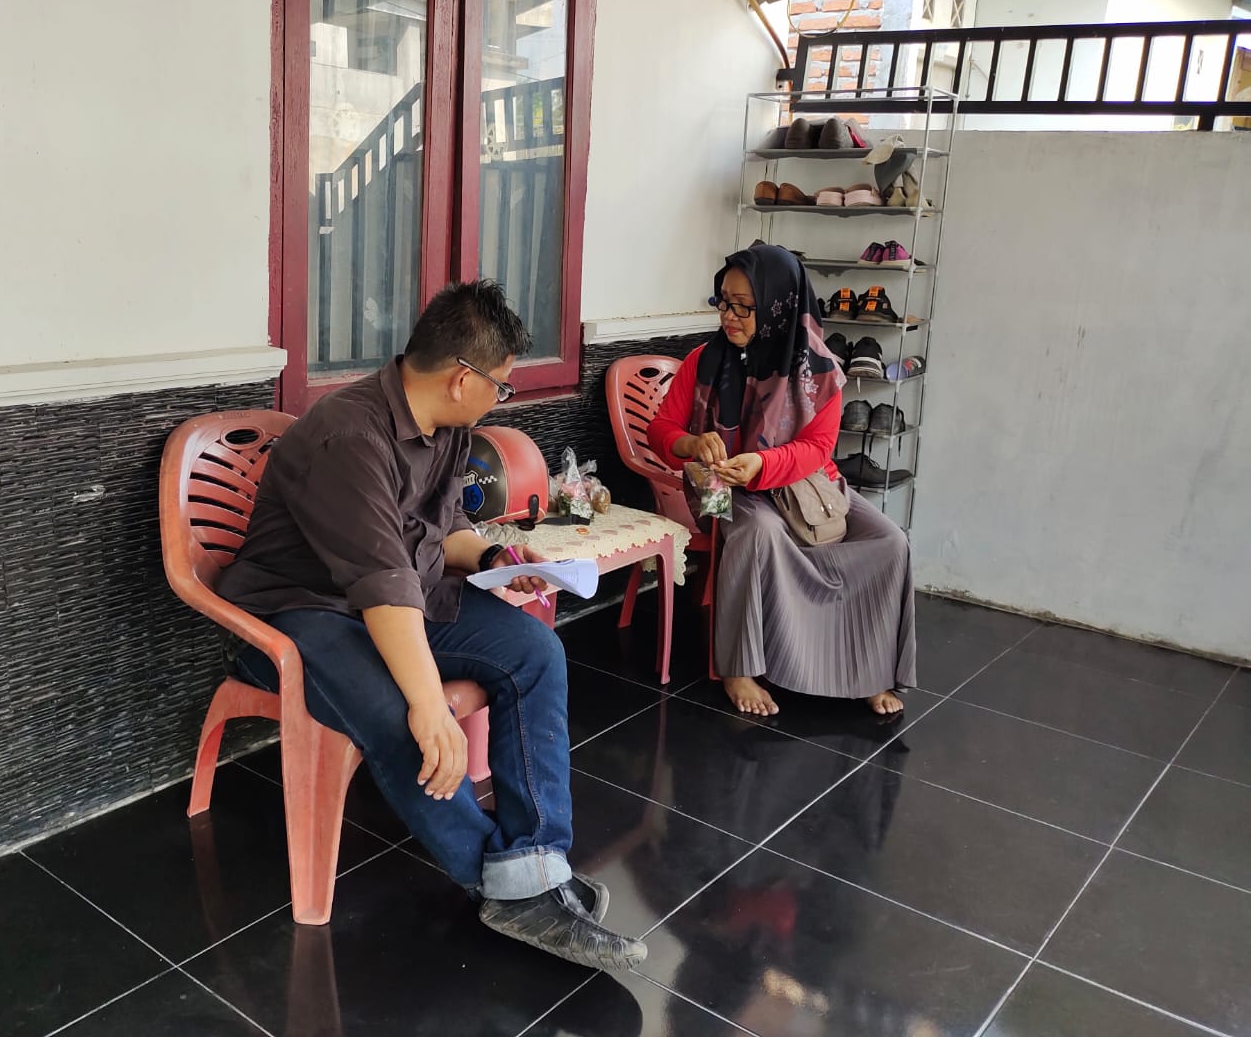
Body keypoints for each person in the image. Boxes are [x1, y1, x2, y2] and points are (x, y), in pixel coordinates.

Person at [217, 279, 647, 971]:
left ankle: (535, 862)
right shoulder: (347, 436)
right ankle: (509, 890)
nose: (500, 398)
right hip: (301, 614)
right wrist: (427, 704)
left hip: (395, 603)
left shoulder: (446, 429)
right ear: (461, 378)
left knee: (534, 651)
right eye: (500, 386)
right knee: (400, 718)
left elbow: (442, 532)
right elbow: (381, 584)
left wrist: (498, 557)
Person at [646, 243, 915, 717]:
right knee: (759, 531)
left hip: (806, 484)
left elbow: (817, 450)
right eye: (722, 302)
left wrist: (762, 463)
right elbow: (661, 429)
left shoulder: (820, 374)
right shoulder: (704, 361)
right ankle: (739, 669)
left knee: (891, 542)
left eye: (743, 307)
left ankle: (868, 670)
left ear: (779, 306)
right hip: (728, 486)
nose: (728, 317)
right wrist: (692, 443)